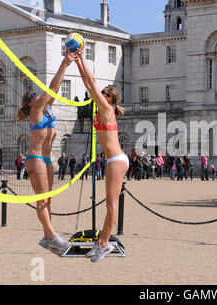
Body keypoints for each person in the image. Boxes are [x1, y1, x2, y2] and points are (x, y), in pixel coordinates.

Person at [15, 48, 76, 255]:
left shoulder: (47, 108)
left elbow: (55, 90)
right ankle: (53, 237)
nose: (37, 94)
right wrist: (65, 62)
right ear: (30, 103)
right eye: (33, 95)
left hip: (48, 159)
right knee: (41, 200)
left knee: (48, 199)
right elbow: (52, 86)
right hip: (36, 158)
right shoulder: (36, 110)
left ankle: (46, 237)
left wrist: (67, 67)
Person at [75, 46, 129, 262]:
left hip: (117, 160)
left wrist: (81, 58)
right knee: (109, 204)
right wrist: (77, 62)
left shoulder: (106, 109)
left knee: (110, 204)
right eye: (103, 92)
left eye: (105, 93)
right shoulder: (102, 108)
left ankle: (104, 245)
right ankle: (101, 243)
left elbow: (92, 83)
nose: (102, 93)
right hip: (113, 160)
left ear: (110, 99)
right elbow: (90, 84)